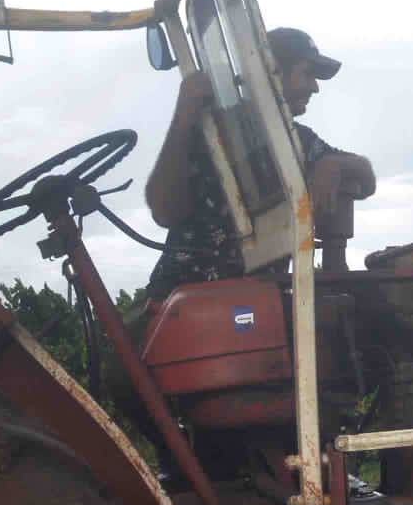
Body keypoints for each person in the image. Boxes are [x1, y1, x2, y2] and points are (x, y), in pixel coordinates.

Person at [144, 25, 376, 300]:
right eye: (308, 74)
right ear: (273, 71)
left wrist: (335, 163)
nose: (315, 87)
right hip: (190, 296)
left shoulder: (298, 141)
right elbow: (164, 211)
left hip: (257, 300)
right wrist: (185, 114)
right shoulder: (209, 130)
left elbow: (366, 178)